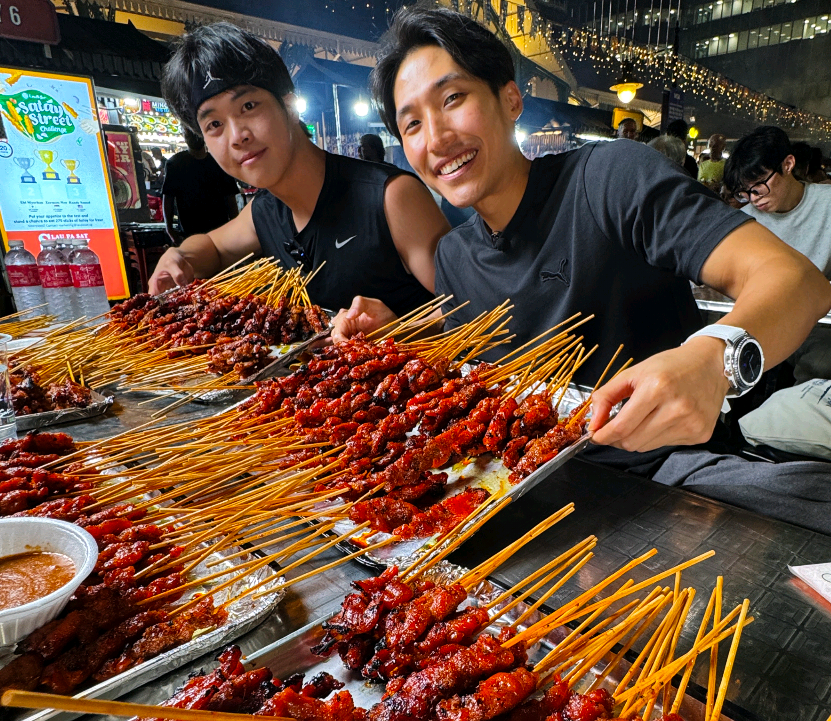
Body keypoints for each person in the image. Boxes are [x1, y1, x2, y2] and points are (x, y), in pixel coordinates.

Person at [335, 9, 831, 531]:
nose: (435, 138)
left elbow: (797, 281)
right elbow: (483, 378)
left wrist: (711, 359)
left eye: (452, 99)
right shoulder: (454, 257)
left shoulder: (608, 178)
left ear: (509, 100)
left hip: (674, 477)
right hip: (530, 504)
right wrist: (400, 338)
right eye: (412, 123)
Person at [149, 22, 449, 316]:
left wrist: (399, 330)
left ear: (289, 104)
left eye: (249, 106)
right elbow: (212, 245)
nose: (237, 135)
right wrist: (179, 256)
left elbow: (472, 306)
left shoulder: (389, 198)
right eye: (214, 124)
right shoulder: (264, 213)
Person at [725, 126, 831, 456]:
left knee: (819, 361)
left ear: (787, 164)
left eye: (760, 185)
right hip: (764, 318)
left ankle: (794, 448)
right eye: (745, 192)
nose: (755, 199)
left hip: (818, 319)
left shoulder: (826, 204)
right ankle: (733, 437)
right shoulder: (745, 220)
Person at [162, 129, 240, 242]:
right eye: (188, 132)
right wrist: (169, 228)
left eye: (194, 131)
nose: (193, 136)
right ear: (183, 135)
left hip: (220, 231)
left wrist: (235, 227)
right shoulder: (175, 163)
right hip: (190, 233)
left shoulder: (220, 162)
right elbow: (168, 198)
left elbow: (230, 199)